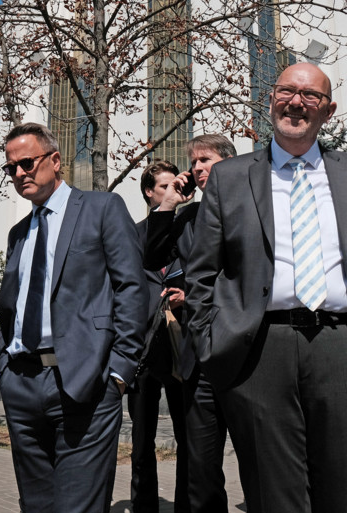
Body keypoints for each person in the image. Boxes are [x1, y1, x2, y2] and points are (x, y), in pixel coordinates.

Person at [185, 62, 347, 512]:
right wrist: (212, 343)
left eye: (311, 96)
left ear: (329, 111)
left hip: (343, 346)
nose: (296, 102)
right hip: (260, 349)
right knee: (274, 496)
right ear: (271, 98)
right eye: (286, 91)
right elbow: (202, 273)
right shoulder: (230, 177)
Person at [0, 122, 146, 513]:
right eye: (10, 168)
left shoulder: (101, 209)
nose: (18, 174)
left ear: (55, 160)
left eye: (26, 163)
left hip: (86, 382)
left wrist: (119, 371)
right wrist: (4, 370)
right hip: (22, 384)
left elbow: (132, 288)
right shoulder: (18, 233)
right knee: (37, 505)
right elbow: (10, 306)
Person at [143, 134, 235, 513]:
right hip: (199, 357)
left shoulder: (252, 206)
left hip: (247, 354)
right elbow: (152, 256)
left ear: (228, 163)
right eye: (193, 162)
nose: (196, 168)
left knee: (260, 457)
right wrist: (169, 201)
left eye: (205, 160)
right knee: (201, 465)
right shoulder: (187, 218)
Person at [130, 160, 189, 513]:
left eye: (174, 185)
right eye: (164, 187)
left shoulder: (190, 230)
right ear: (150, 192)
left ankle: (185, 505)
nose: (172, 192)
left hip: (183, 348)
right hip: (143, 350)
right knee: (141, 441)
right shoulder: (132, 234)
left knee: (188, 438)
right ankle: (144, 506)